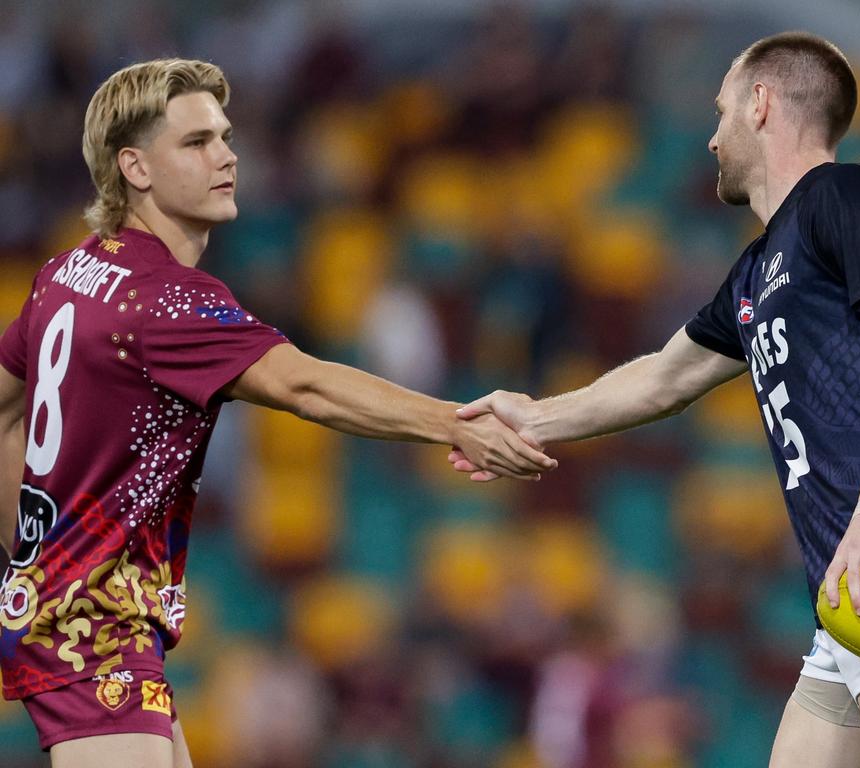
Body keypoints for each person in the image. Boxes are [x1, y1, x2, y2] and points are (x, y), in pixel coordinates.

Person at [450, 31, 860, 768]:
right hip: (847, 600)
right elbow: (665, 377)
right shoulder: (757, 271)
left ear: (761, 103)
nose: (711, 137)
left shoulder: (848, 196)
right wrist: (537, 415)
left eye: (721, 111)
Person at [0, 58, 556, 768]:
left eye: (225, 136)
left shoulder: (65, 273)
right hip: (96, 630)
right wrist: (454, 423)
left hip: (89, 620)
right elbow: (306, 387)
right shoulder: (167, 300)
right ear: (134, 167)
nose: (226, 154)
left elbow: (2, 412)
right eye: (196, 142)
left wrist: (31, 557)